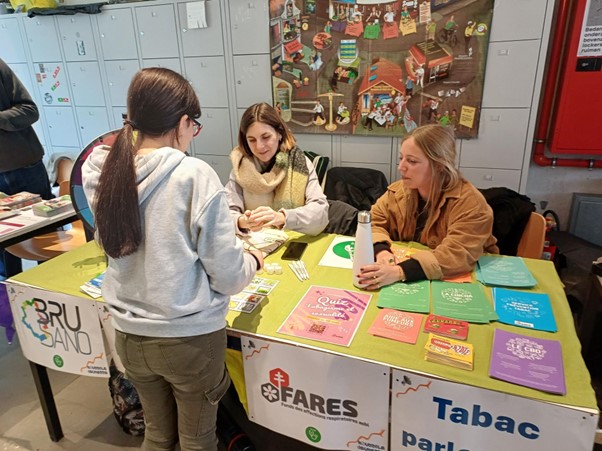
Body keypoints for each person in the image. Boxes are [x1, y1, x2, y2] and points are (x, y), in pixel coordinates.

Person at [81, 67, 263, 451]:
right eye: (193, 126)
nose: (192, 135)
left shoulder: (103, 169)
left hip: (129, 335)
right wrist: (254, 260)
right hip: (188, 341)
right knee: (197, 440)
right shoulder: (193, 174)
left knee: (158, 435)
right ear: (182, 123)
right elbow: (228, 276)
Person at [356, 124, 498, 290]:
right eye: (401, 158)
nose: (401, 167)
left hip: (466, 284)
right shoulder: (398, 191)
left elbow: (456, 255)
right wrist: (382, 252)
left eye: (412, 161)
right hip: (416, 278)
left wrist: (399, 272)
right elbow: (374, 222)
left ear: (439, 166)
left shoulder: (471, 204)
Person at [226, 102, 328, 236]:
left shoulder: (301, 163)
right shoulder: (240, 168)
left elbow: (321, 213)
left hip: (292, 244)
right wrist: (240, 221)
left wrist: (283, 218)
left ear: (279, 133)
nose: (259, 146)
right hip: (256, 247)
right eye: (252, 140)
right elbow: (225, 213)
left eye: (266, 137)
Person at [0, 57, 53, 277]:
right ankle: (8, 301)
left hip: (25, 166)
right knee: (4, 251)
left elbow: (30, 110)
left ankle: (51, 290)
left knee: (47, 237)